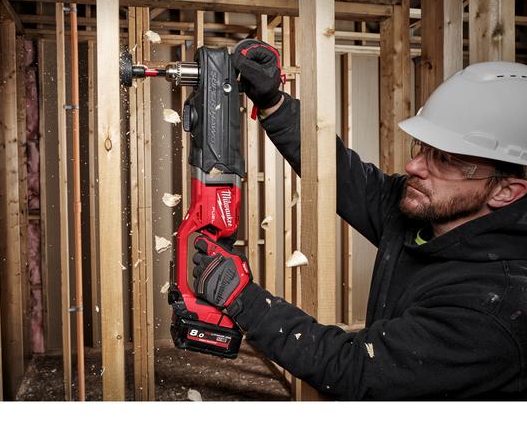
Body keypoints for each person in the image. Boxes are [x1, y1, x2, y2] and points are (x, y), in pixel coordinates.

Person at [192, 39, 527, 400]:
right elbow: (346, 178)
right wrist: (274, 102)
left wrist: (244, 299)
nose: (413, 166)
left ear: (505, 191)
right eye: (422, 148)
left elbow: (357, 369)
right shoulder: (427, 214)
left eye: (445, 160)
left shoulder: (496, 306)